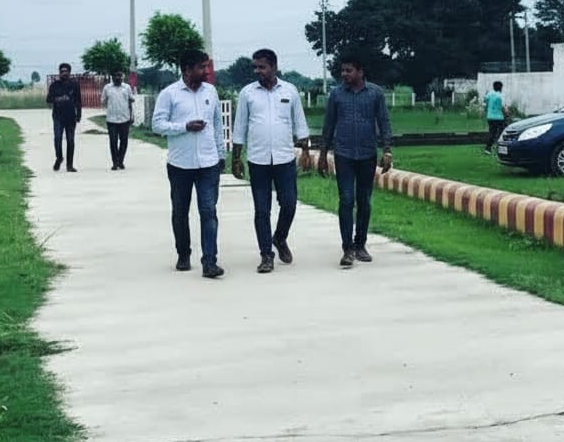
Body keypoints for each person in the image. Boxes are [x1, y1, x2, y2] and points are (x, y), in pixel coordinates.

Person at [231, 49, 313, 274]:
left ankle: (280, 237)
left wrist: (306, 152)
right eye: (255, 67)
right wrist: (236, 158)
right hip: (257, 160)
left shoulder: (290, 90)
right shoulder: (247, 93)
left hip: (285, 158)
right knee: (261, 210)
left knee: (289, 203)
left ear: (274, 67)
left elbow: (300, 123)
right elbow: (240, 127)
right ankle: (266, 255)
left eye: (262, 67)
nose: (258, 71)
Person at [151, 50, 226, 279]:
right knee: (180, 212)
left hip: (208, 163)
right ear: (186, 69)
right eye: (202, 67)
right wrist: (184, 127)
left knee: (209, 211)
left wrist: (221, 155)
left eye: (207, 66)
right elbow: (157, 125)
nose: (206, 71)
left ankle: (210, 261)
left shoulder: (211, 91)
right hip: (180, 164)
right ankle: (183, 254)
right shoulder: (169, 94)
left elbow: (217, 125)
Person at [317, 54, 393, 267]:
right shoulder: (336, 94)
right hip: (343, 154)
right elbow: (329, 125)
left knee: (364, 201)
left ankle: (360, 244)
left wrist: (387, 150)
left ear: (360, 72)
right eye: (342, 71)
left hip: (368, 154)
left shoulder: (375, 93)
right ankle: (347, 248)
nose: (344, 74)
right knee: (346, 199)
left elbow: (384, 122)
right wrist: (322, 154)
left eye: (348, 70)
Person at [46, 62, 82, 172]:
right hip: (58, 117)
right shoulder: (54, 85)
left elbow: (78, 100)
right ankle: (59, 157)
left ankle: (69, 165)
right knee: (57, 138)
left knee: (70, 140)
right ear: (59, 73)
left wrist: (79, 114)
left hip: (71, 116)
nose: (64, 73)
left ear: (70, 72)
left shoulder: (74, 85)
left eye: (66, 71)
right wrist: (58, 99)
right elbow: (48, 99)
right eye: (62, 71)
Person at [101, 69, 135, 170]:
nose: (118, 78)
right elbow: (103, 101)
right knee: (113, 141)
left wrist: (132, 116)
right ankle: (115, 163)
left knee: (124, 141)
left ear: (122, 77)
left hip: (125, 118)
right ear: (112, 77)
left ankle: (121, 161)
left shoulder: (127, 87)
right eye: (116, 76)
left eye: (120, 76)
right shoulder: (107, 88)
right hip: (111, 119)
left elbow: (131, 101)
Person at [482, 80, 506, 154]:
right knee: (502, 132)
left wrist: (486, 110)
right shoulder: (500, 95)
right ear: (500, 87)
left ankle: (488, 148)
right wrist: (507, 113)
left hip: (490, 117)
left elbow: (485, 103)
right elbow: (503, 107)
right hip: (499, 117)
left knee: (492, 132)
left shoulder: (489, 94)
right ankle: (499, 146)